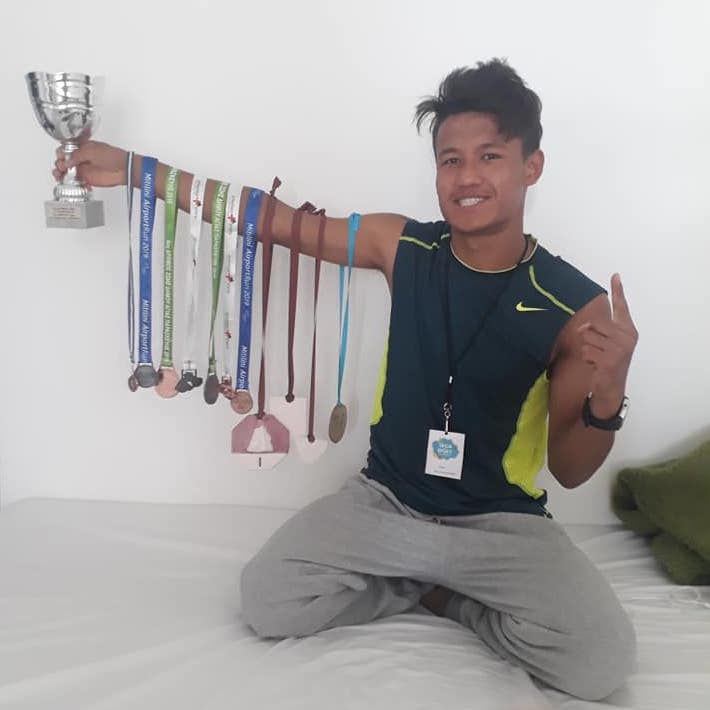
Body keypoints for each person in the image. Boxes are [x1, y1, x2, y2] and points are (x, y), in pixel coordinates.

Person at [53, 58, 638, 701]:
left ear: (532, 165)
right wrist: (137, 170)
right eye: (450, 160)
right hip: (388, 506)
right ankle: (422, 582)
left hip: (500, 527)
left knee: (600, 663)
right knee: (269, 599)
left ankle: (448, 597)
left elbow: (571, 470)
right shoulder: (401, 246)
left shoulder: (576, 306)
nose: (468, 177)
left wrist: (608, 396)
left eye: (490, 156)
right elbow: (272, 220)